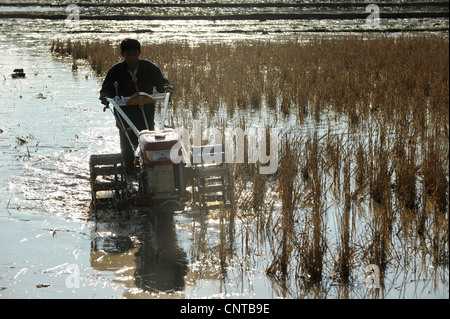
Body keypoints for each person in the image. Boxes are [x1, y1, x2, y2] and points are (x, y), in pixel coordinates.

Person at [100, 38, 173, 174]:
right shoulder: (115, 71)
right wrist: (105, 96)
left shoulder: (149, 68)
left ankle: (150, 177)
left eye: (134, 54)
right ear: (122, 54)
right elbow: (106, 89)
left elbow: (161, 82)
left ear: (139, 52)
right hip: (125, 118)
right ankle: (130, 178)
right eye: (128, 54)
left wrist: (167, 88)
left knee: (149, 149)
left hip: (146, 115)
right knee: (128, 152)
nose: (132, 58)